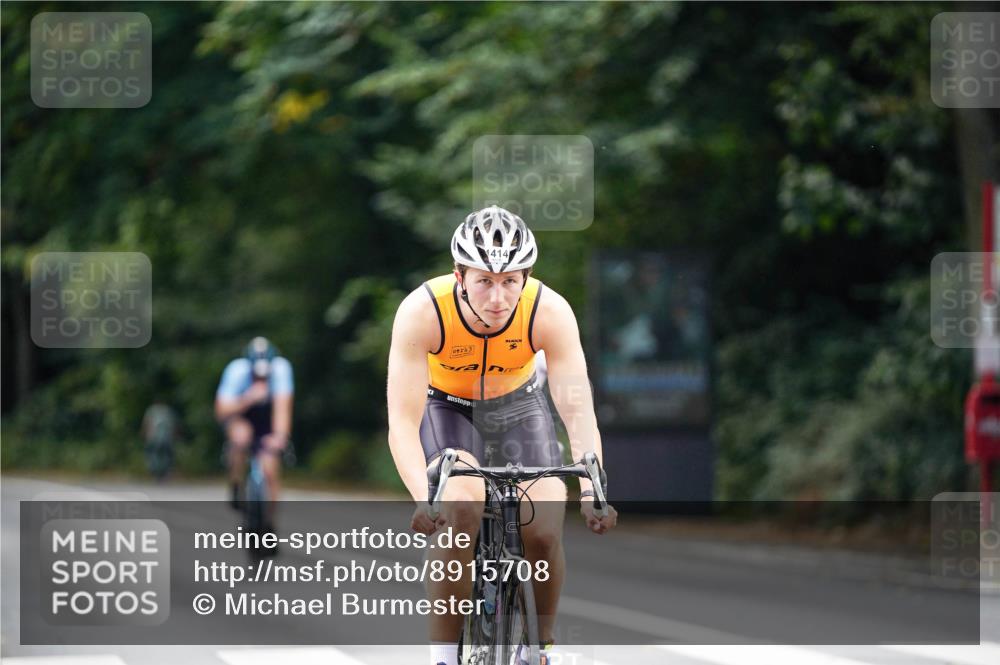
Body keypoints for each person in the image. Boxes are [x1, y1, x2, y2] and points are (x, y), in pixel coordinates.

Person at [386, 205, 618, 665]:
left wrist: (594, 488)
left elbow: (577, 411)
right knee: (461, 508)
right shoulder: (422, 311)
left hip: (519, 407)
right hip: (447, 408)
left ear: (526, 277)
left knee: (545, 530)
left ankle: (540, 649)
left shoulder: (548, 311)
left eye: (511, 281)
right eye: (484, 280)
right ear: (459, 275)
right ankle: (443, 658)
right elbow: (403, 420)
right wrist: (423, 496)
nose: (497, 297)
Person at [215, 337, 294, 525]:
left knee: (270, 468)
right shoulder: (236, 371)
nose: (261, 379)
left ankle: (268, 522)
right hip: (240, 413)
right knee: (241, 437)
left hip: (266, 418)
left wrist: (280, 436)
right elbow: (221, 411)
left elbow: (282, 409)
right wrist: (248, 399)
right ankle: (236, 483)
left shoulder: (281, 370)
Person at [141, 401, 179, 480]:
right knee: (166, 456)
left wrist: (145, 434)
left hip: (154, 438)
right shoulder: (167, 411)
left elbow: (147, 423)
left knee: (153, 455)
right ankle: (164, 473)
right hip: (166, 438)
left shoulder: (152, 410)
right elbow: (173, 425)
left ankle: (156, 472)